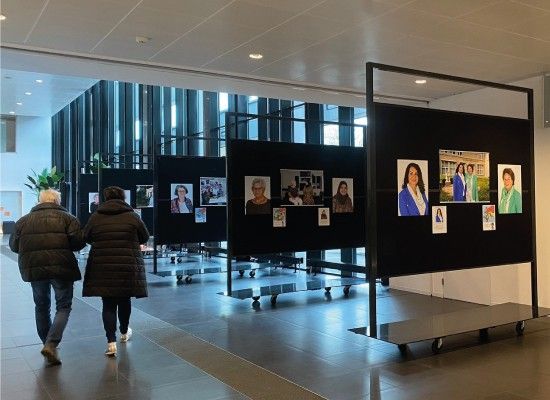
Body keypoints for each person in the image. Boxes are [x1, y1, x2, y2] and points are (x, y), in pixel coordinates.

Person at [9, 189, 85, 366]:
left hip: (35, 269)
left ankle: (47, 344)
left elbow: (14, 246)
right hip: (62, 268)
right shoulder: (68, 219)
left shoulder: (23, 221)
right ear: (57, 201)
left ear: (39, 201)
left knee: (41, 306)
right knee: (63, 306)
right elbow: (78, 243)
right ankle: (51, 344)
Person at [83, 186, 150, 357]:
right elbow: (145, 237)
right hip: (127, 265)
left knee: (108, 304)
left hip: (102, 265)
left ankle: (110, 342)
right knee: (124, 299)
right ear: (123, 197)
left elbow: (86, 237)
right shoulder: (132, 216)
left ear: (105, 198)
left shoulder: (96, 216)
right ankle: (124, 331)